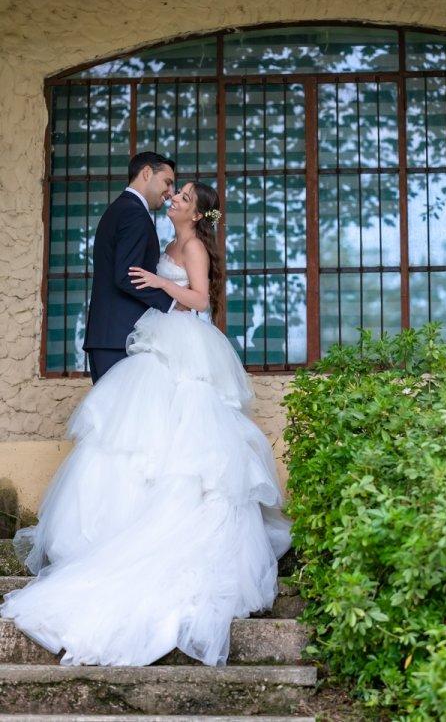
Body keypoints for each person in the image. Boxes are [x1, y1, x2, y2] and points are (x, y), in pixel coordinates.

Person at [1, 182, 291, 667]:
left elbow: (199, 300)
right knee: (134, 436)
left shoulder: (193, 245)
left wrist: (162, 285)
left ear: (197, 213)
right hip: (159, 341)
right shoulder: (166, 241)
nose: (175, 197)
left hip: (186, 346)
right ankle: (120, 529)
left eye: (184, 196)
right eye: (175, 192)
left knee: (190, 447)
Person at [83, 151, 176, 383]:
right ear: (146, 173)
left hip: (110, 336)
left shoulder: (121, 208)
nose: (171, 192)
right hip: (119, 338)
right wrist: (173, 303)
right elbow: (127, 276)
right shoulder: (134, 213)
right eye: (168, 182)